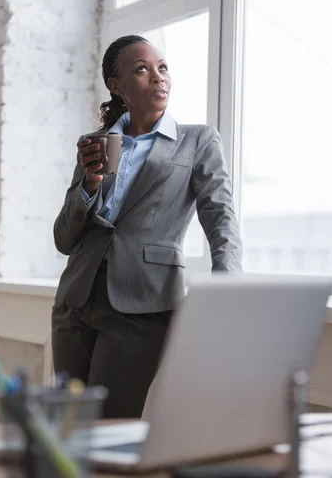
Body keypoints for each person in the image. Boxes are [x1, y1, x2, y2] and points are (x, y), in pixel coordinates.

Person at [52, 35, 242, 418]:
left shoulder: (197, 140)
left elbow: (220, 216)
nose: (158, 77)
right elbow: (64, 238)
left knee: (110, 424)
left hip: (142, 303)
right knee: (65, 423)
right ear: (116, 86)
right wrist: (89, 183)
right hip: (76, 300)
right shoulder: (97, 144)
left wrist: (227, 290)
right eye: (142, 69)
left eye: (163, 67)